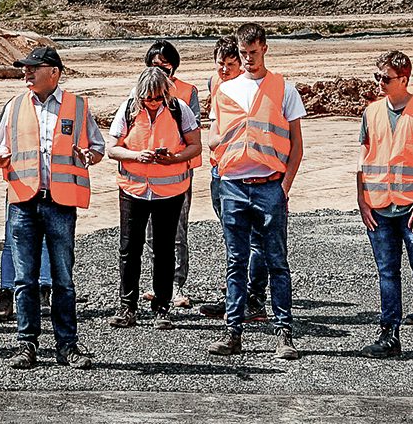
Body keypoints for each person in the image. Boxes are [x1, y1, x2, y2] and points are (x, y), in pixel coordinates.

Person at [0, 45, 103, 369]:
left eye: (33, 67)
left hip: (60, 203)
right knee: (25, 279)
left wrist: (90, 156)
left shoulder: (77, 106)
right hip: (23, 202)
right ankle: (27, 345)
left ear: (54, 72)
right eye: (24, 67)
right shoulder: (14, 106)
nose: (26, 72)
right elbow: (0, 146)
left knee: (63, 279)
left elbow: (98, 146)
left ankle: (67, 346)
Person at [208, 22, 305, 361]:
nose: (248, 59)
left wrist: (285, 186)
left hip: (269, 187)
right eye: (243, 53)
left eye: (253, 52)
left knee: (277, 261)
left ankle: (284, 334)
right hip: (233, 185)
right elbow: (215, 137)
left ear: (264, 48)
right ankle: (233, 333)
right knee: (235, 262)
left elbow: (296, 146)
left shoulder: (283, 89)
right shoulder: (225, 91)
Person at [354, 50, 413, 359]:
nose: (379, 82)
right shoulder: (372, 112)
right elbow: (363, 160)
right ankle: (389, 335)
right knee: (387, 273)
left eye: (385, 78)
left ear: (404, 79)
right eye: (377, 77)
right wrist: (361, 199)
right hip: (379, 207)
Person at [106, 62, 198, 327]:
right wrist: (137, 155)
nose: (154, 102)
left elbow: (195, 145)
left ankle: (161, 307)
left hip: (169, 192)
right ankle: (127, 308)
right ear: (140, 94)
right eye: (148, 98)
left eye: (158, 98)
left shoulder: (179, 109)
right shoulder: (128, 109)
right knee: (129, 249)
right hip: (133, 190)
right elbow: (112, 148)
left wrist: (174, 159)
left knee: (164, 250)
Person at [187, 33, 244, 318]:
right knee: (229, 233)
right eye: (220, 64)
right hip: (218, 166)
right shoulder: (214, 81)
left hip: (242, 170)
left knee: (247, 237)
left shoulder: (249, 87)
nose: (224, 70)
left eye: (230, 64)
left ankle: (248, 297)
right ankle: (236, 293)